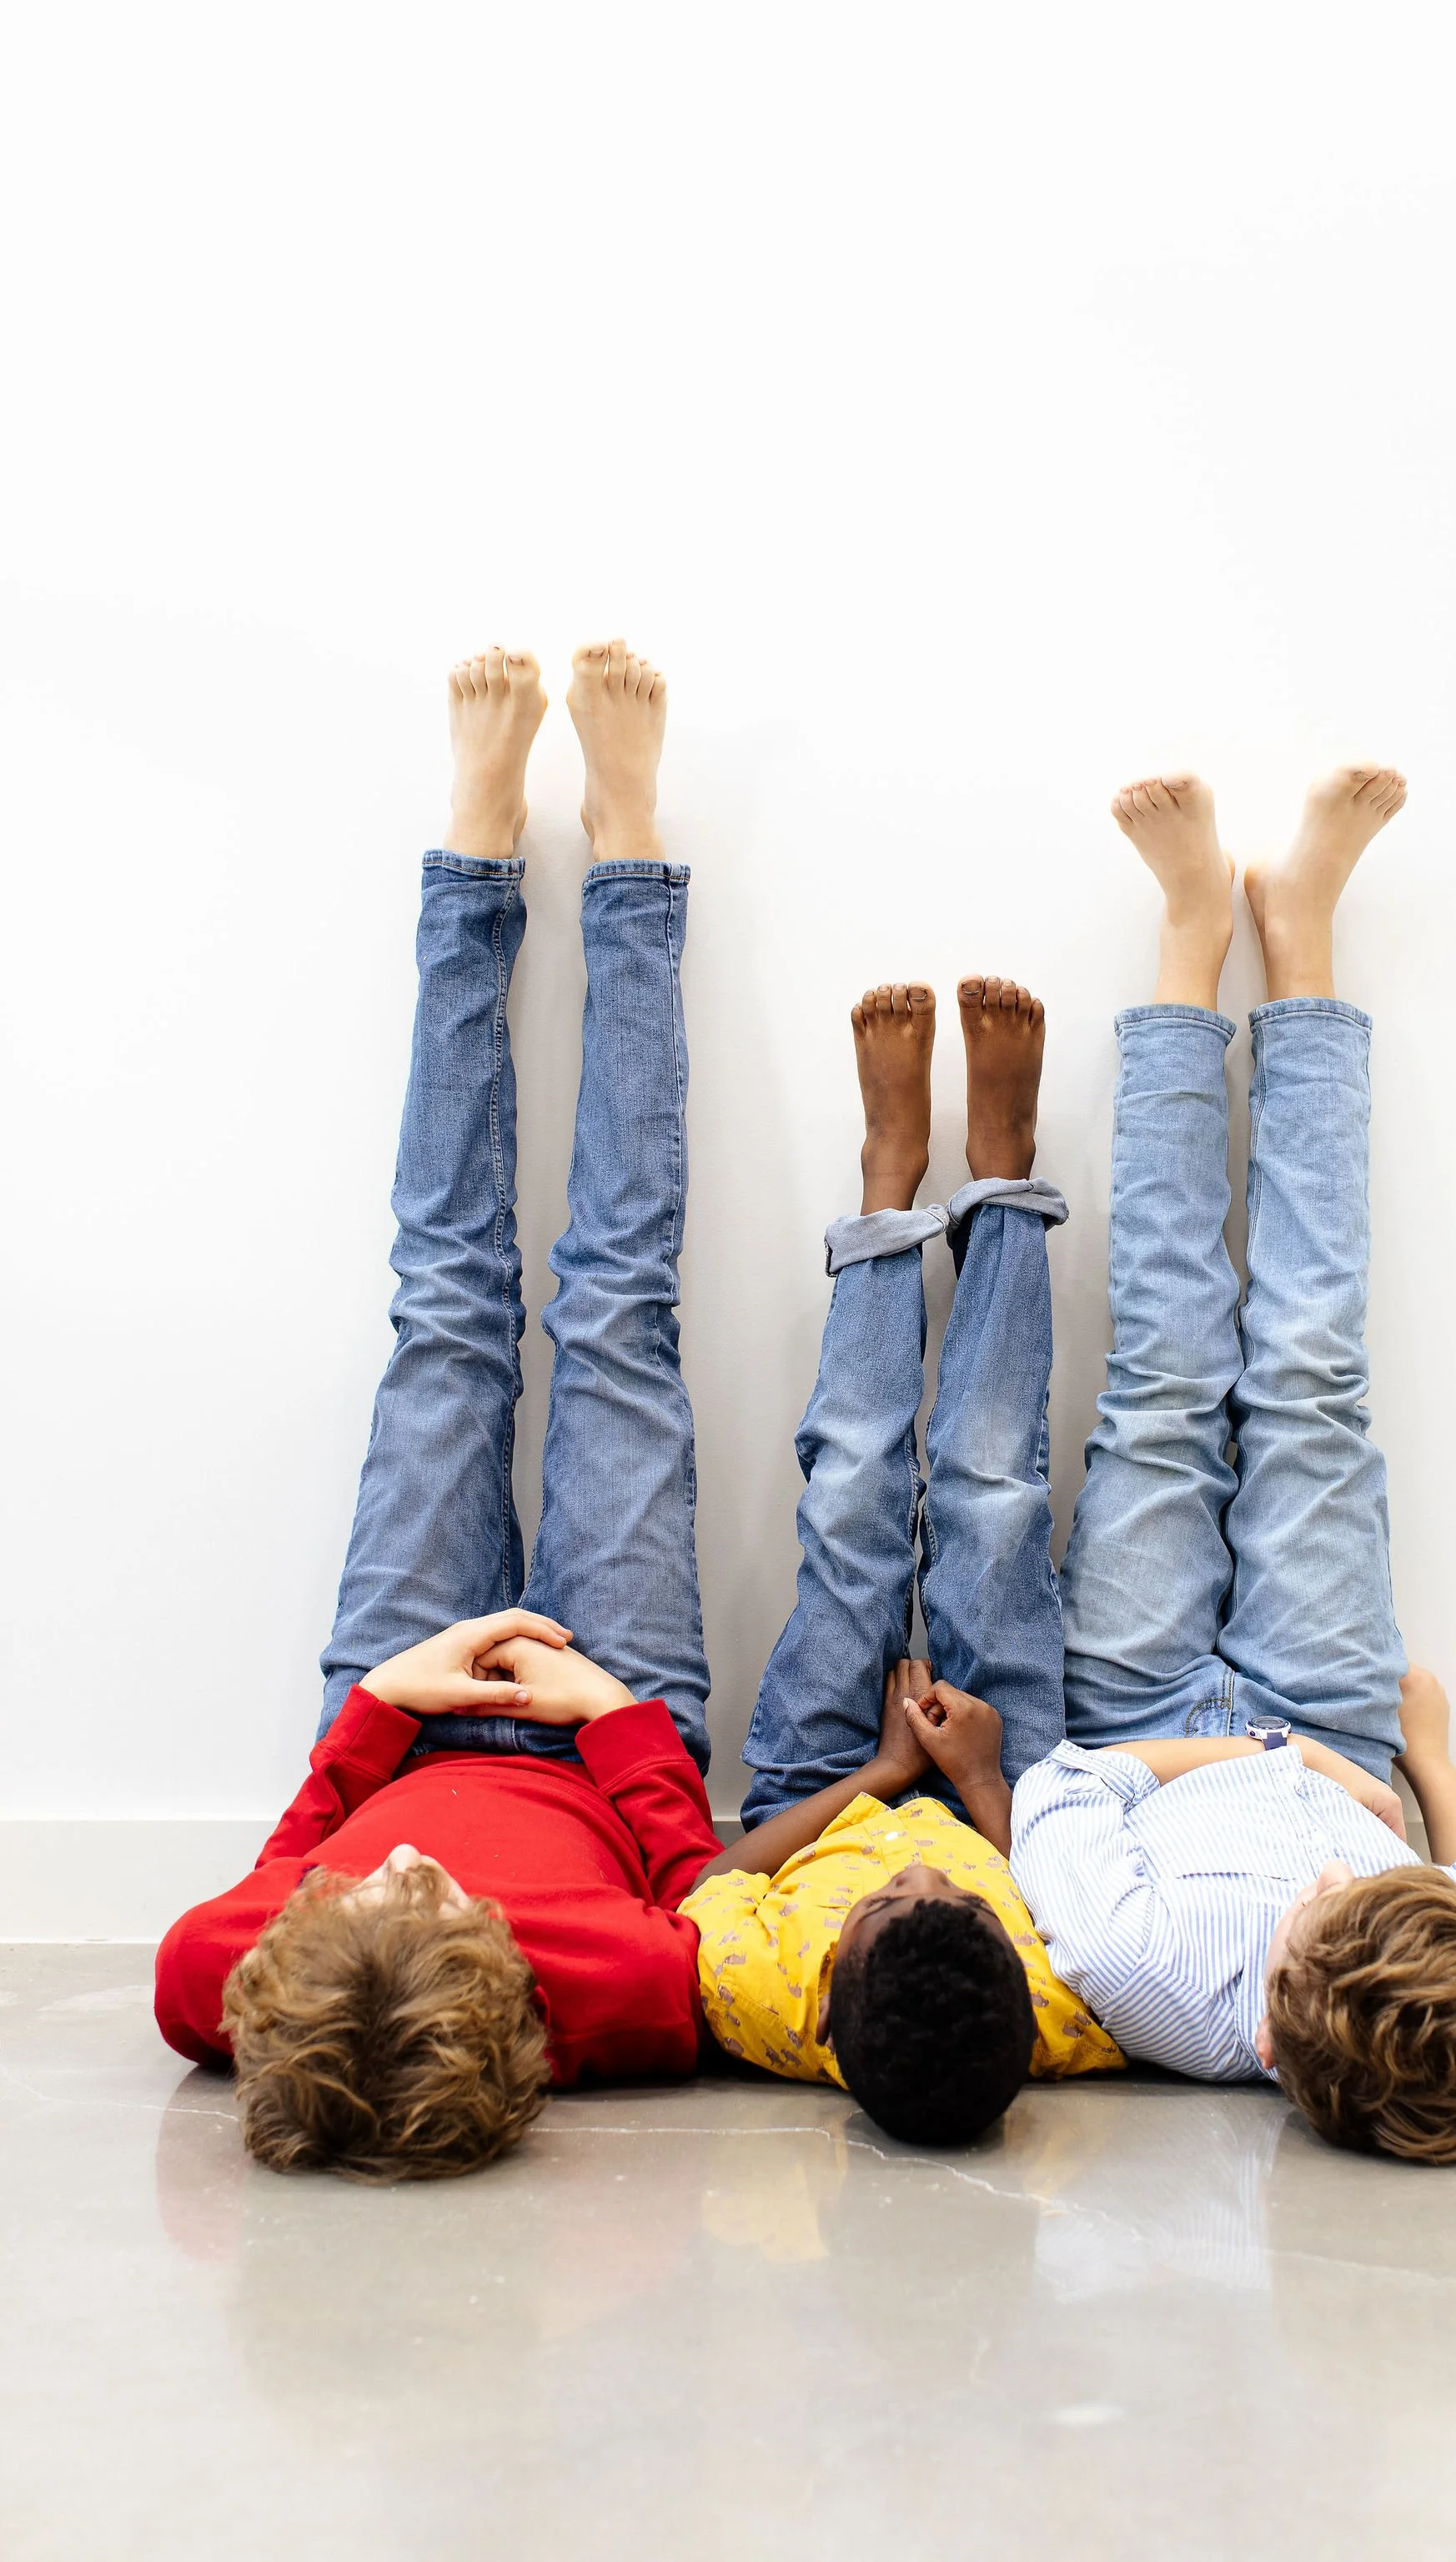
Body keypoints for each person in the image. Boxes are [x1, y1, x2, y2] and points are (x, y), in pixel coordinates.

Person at [153, 640, 726, 2180]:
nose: (396, 1865)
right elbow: (696, 1904)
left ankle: (474, 857)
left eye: (367, 1891)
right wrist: (611, 1726)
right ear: (512, 1998)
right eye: (432, 1892)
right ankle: (628, 854)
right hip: (606, 1707)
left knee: (449, 1310)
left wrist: (392, 1709)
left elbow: (284, 1863)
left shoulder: (223, 1989)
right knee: (615, 1315)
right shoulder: (624, 2005)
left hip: (399, 1698)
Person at [1008, 766, 1456, 2165]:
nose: (1322, 1870)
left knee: (1166, 1378)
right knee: (1313, 1374)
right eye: (1352, 1886)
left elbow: (1060, 1789)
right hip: (1337, 1701)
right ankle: (1303, 948)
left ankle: (1189, 951)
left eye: (1322, 1905)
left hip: (1146, 1715)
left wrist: (1275, 1755)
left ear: (1272, 2028)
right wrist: (1421, 1761)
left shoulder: (1152, 1979)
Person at [680, 979, 1124, 2144]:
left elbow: (712, 1889)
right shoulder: (1055, 2016)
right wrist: (975, 1784)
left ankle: (889, 1183)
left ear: (826, 1999)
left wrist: (879, 1782)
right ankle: (1005, 1175)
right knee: (995, 1505)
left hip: (819, 1785)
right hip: (1004, 1779)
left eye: (890, 1902)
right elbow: (1070, 1912)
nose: (917, 1874)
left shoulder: (766, 2001)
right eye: (951, 1903)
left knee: (852, 1503)